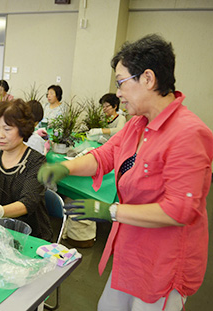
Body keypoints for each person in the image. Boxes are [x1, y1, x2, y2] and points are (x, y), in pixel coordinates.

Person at [38, 34, 213, 310]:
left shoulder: (188, 133)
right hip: (130, 251)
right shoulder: (137, 125)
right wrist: (65, 167)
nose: (117, 92)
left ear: (147, 78)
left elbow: (181, 209)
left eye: (121, 82)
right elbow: (104, 156)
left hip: (162, 263)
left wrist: (110, 211)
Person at [0, 99, 52, 241]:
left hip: (28, 236)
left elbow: (28, 202)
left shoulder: (36, 162)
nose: (0, 135)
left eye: (7, 129)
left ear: (23, 129)